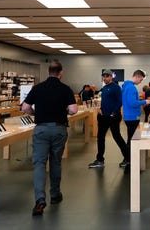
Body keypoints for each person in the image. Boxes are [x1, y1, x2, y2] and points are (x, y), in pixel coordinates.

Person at [20, 61, 77, 216]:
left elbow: (25, 107)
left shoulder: (37, 88)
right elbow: (73, 110)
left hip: (41, 129)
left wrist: (34, 113)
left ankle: (39, 199)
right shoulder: (65, 89)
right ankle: (55, 195)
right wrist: (64, 109)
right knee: (55, 161)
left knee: (39, 163)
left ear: (48, 71)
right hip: (59, 129)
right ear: (61, 73)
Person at [88, 69, 128, 169]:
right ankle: (100, 160)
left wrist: (113, 113)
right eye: (104, 76)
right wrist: (101, 109)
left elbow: (120, 101)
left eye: (107, 76)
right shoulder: (105, 88)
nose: (105, 78)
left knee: (117, 137)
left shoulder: (116, 87)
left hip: (113, 117)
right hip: (103, 116)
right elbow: (104, 101)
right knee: (100, 138)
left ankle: (128, 158)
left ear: (111, 77)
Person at [121, 69, 149, 169]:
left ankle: (127, 159)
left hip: (128, 116)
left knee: (130, 139)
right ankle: (129, 160)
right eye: (140, 80)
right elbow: (132, 103)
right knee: (132, 140)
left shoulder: (125, 86)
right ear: (137, 76)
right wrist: (144, 102)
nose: (140, 82)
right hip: (132, 117)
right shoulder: (131, 88)